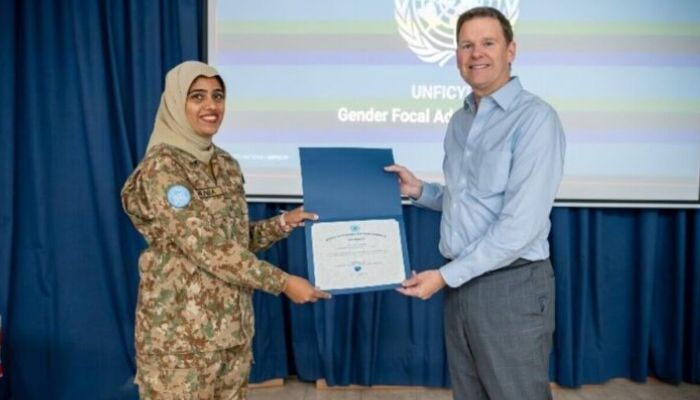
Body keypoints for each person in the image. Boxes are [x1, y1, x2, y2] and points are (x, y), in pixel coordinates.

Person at [386, 7, 566, 400]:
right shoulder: (460, 121)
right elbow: (468, 200)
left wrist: (445, 277)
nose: (475, 54)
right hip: (461, 285)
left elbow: (520, 226)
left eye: (487, 43)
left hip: (511, 286)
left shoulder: (535, 120)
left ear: (511, 50)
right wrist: (420, 191)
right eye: (466, 45)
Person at [121, 61, 330, 399]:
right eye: (197, 97)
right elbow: (205, 246)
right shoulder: (163, 167)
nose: (211, 106)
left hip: (230, 333)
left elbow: (232, 241)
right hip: (180, 342)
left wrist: (282, 223)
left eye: (218, 96)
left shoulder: (226, 164)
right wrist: (283, 283)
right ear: (177, 103)